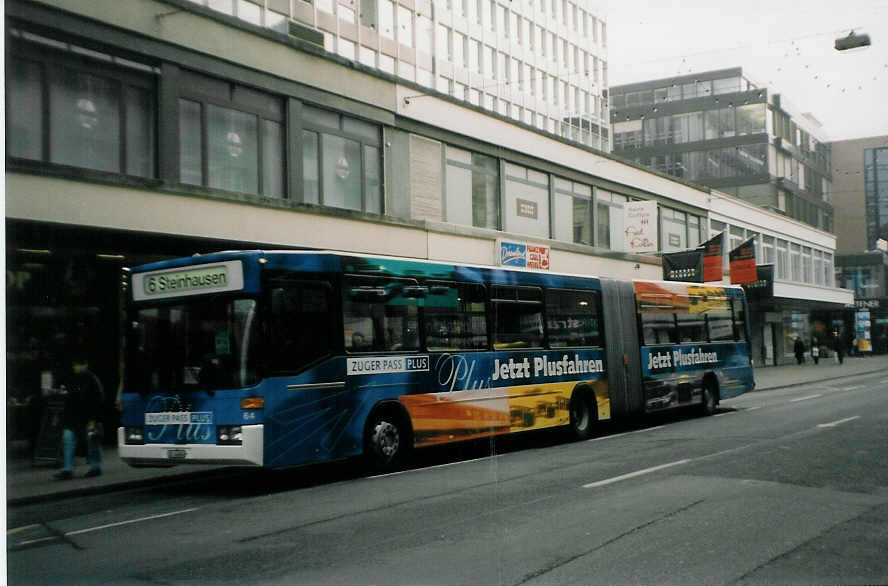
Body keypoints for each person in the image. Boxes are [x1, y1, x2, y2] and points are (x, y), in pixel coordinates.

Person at [52, 353, 104, 480]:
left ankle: (87, 467)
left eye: (78, 365)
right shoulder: (88, 378)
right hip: (79, 415)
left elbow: (97, 399)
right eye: (75, 365)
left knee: (82, 440)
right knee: (86, 440)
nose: (75, 367)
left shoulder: (90, 379)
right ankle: (84, 467)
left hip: (86, 416)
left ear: (85, 365)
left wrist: (94, 418)